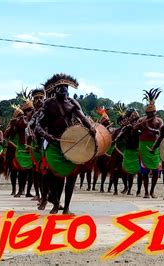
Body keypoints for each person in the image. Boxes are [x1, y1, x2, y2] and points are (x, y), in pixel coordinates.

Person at [35, 73, 95, 214]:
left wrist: (91, 128)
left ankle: (66, 207)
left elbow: (82, 117)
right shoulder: (48, 104)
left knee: (71, 176)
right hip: (53, 142)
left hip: (69, 144)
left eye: (66, 89)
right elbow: (38, 124)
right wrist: (45, 135)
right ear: (55, 90)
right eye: (61, 88)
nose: (64, 92)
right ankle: (55, 202)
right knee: (50, 173)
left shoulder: (72, 103)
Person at [135, 88, 163, 198]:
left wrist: (149, 129)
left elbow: (160, 132)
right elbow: (134, 130)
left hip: (155, 146)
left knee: (156, 171)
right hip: (143, 145)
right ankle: (146, 191)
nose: (149, 115)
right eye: (147, 113)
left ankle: (152, 191)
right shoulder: (142, 120)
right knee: (144, 171)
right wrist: (138, 127)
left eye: (151, 113)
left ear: (154, 112)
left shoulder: (159, 121)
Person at [27, 88, 46, 202]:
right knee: (35, 170)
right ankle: (38, 193)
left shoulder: (49, 111)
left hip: (47, 142)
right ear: (33, 101)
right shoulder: (30, 115)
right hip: (35, 145)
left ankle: (46, 195)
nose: (39, 100)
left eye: (41, 98)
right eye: (36, 98)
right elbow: (28, 127)